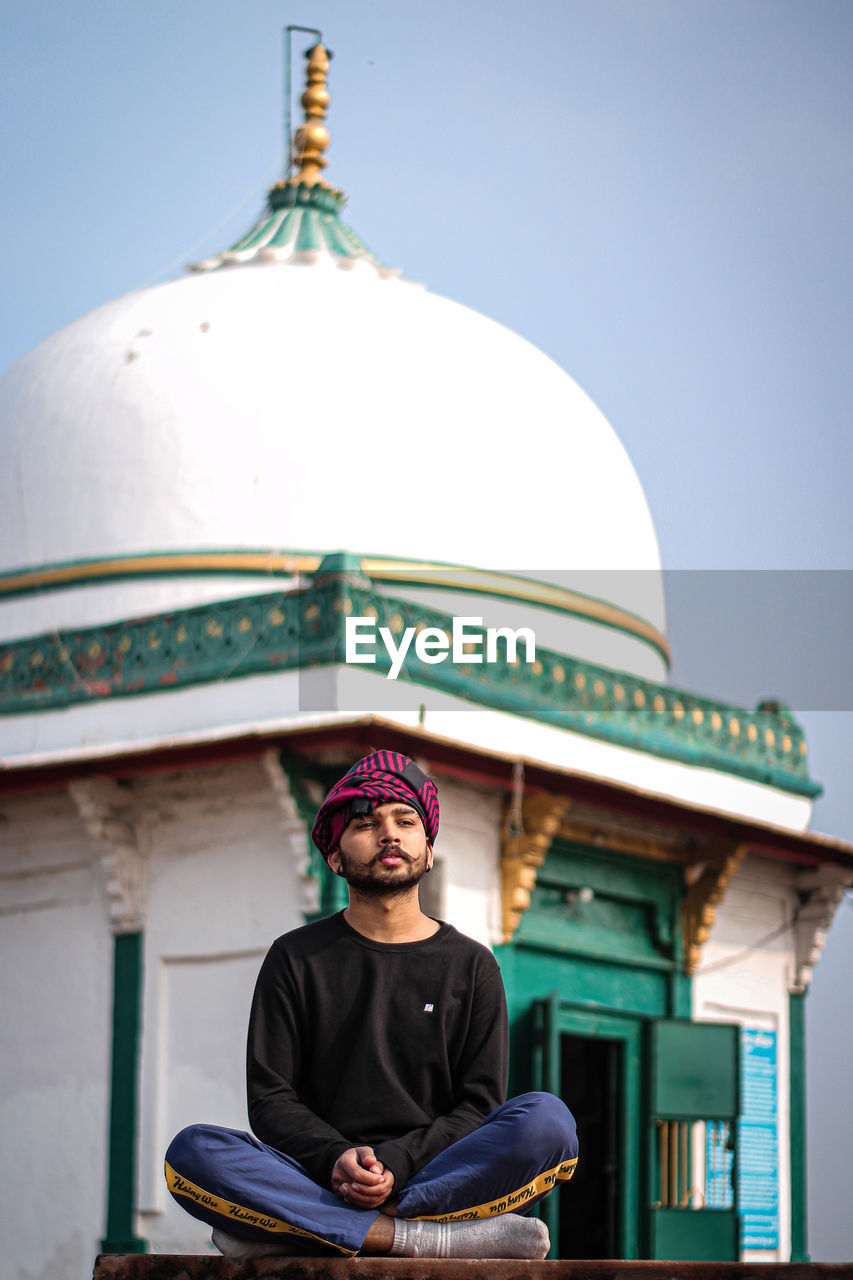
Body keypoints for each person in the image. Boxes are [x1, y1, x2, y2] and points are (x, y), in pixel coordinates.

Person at [165, 749, 578, 1259]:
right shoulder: (295, 958)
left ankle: (307, 1231)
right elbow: (271, 1099)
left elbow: (478, 1106)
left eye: (406, 820)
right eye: (366, 823)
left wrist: (396, 1162)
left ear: (427, 852)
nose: (389, 833)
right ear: (335, 856)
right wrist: (339, 1159)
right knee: (193, 1154)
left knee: (549, 1123)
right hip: (318, 1175)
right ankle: (414, 1240)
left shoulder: (472, 965)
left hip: (435, 1173)